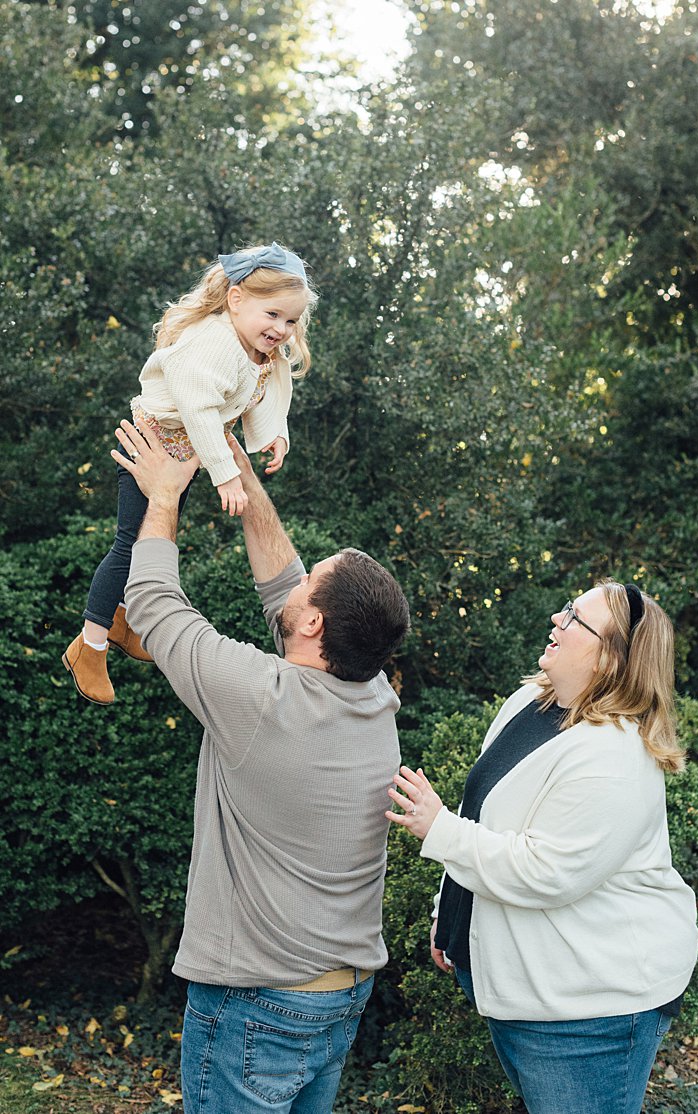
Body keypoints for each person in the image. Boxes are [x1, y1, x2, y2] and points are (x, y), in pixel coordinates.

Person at [111, 417, 410, 1113]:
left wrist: (164, 495)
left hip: (258, 1004)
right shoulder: (371, 691)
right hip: (339, 996)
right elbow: (284, 580)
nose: (299, 582)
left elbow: (154, 604)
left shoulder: (262, 698)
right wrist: (230, 463)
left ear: (315, 627)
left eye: (316, 584)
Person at [385, 579, 698, 1114]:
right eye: (568, 609)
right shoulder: (531, 702)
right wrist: (451, 914)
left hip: (591, 1013)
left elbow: (547, 871)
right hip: (533, 991)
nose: (558, 619)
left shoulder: (614, 755)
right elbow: (481, 810)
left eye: (576, 618)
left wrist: (435, 828)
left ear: (610, 659)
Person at [63, 242, 315, 705]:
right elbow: (199, 409)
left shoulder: (256, 348)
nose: (281, 329)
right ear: (236, 299)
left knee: (153, 542)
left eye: (291, 320)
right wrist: (225, 475)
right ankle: (89, 645)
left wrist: (272, 436)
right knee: (129, 543)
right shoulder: (214, 342)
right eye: (273, 314)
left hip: (186, 454)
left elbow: (258, 393)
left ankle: (122, 619)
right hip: (154, 445)